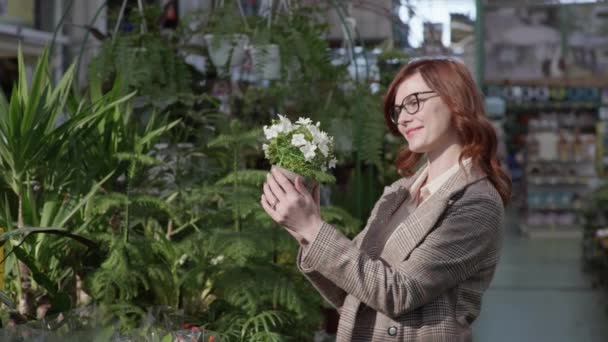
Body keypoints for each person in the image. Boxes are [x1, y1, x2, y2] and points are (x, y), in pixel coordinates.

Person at [261, 57, 511, 341]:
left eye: (414, 102)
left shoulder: (477, 202)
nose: (403, 118)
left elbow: (399, 293)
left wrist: (312, 228)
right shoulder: (399, 193)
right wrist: (301, 229)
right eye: (397, 110)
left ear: (455, 99)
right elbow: (351, 291)